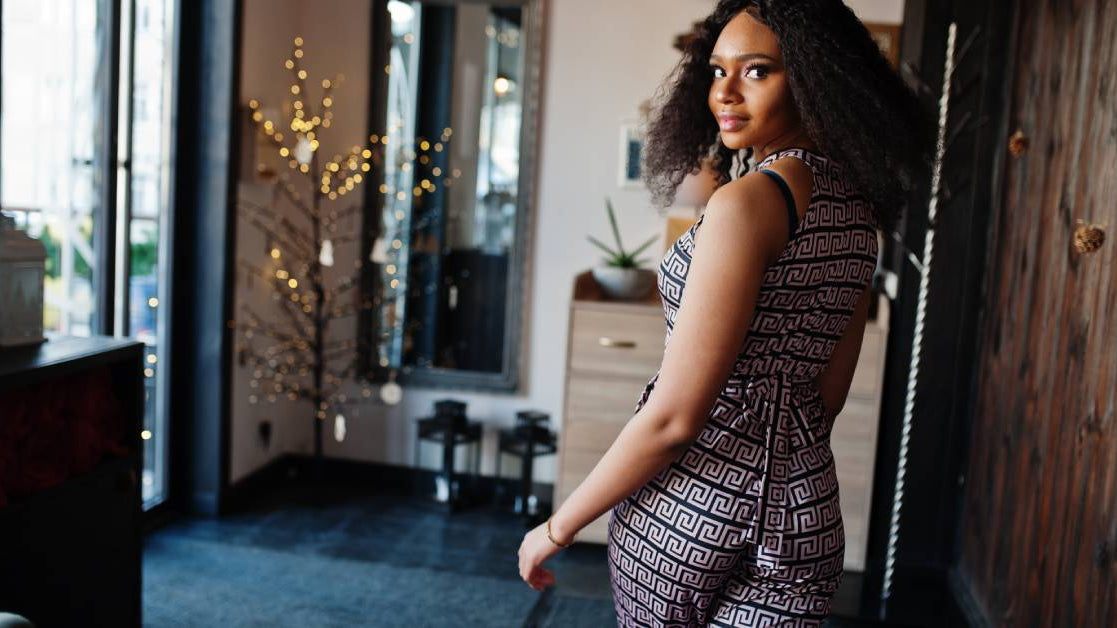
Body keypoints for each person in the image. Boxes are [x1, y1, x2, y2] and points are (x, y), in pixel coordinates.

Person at [518, 0, 934, 625]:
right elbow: (827, 395)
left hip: (689, 515)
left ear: (816, 81)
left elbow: (676, 420)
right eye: (717, 71)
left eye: (757, 70)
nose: (726, 93)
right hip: (805, 513)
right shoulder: (857, 214)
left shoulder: (747, 204)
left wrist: (557, 526)